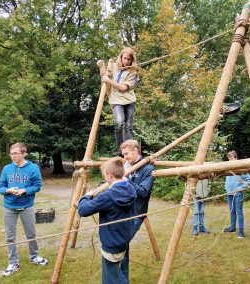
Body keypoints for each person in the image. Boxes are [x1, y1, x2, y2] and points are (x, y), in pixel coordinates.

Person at [78, 157, 137, 284]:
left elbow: (82, 210)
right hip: (124, 239)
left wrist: (86, 196)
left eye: (105, 174)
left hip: (112, 244)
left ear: (109, 175)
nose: (104, 177)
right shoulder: (131, 188)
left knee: (111, 279)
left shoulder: (108, 196)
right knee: (120, 271)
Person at [0, 143, 48, 277]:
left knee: (31, 234)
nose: (13, 156)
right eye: (11, 154)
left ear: (23, 153)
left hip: (27, 206)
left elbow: (37, 186)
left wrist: (24, 190)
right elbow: (0, 187)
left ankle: (34, 256)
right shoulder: (7, 168)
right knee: (10, 237)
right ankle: (13, 262)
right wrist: (8, 190)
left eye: (15, 153)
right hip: (9, 207)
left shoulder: (33, 168)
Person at [119, 139, 154, 280]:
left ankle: (122, 279)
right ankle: (122, 279)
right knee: (122, 246)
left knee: (121, 244)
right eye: (123, 155)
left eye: (127, 154)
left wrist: (127, 179)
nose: (125, 157)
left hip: (136, 214)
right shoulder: (127, 165)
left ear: (136, 150)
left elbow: (144, 192)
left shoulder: (148, 168)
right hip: (123, 211)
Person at [102, 47, 138, 156]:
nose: (126, 61)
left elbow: (122, 88)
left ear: (132, 61)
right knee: (119, 123)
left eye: (129, 60)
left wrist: (109, 81)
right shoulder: (113, 67)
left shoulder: (132, 72)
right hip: (116, 101)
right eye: (125, 58)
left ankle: (129, 151)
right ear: (121, 57)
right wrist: (105, 73)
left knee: (128, 126)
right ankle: (120, 150)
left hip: (129, 101)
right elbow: (104, 77)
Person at [223, 150, 250, 238]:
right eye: (229, 159)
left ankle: (241, 231)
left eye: (231, 158)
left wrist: (240, 188)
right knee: (232, 211)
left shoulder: (240, 167)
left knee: (239, 212)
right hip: (229, 193)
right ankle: (232, 227)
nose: (230, 160)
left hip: (238, 193)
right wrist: (226, 188)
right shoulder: (227, 167)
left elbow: (249, 179)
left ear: (236, 158)